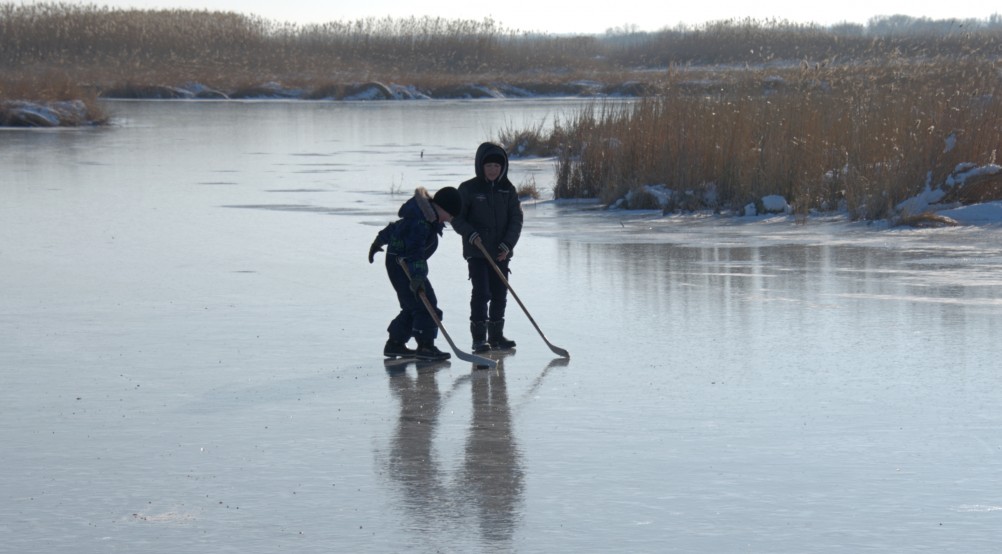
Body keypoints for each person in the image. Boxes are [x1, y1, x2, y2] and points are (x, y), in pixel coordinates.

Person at [369, 186, 462, 361]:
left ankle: (395, 343)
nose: (448, 221)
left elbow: (396, 228)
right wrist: (418, 276)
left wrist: (378, 241)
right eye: (449, 216)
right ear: (442, 208)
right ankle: (425, 346)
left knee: (412, 305)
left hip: (399, 264)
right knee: (427, 305)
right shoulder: (422, 223)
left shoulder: (420, 215)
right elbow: (415, 251)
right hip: (406, 267)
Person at [451, 142, 524, 353]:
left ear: (503, 167)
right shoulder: (468, 189)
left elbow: (516, 219)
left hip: (501, 253)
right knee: (482, 292)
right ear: (480, 166)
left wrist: (508, 244)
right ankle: (479, 338)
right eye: (489, 165)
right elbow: (456, 217)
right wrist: (470, 234)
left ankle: (496, 335)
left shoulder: (507, 190)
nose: (493, 170)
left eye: (497, 166)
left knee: (500, 293)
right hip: (478, 252)